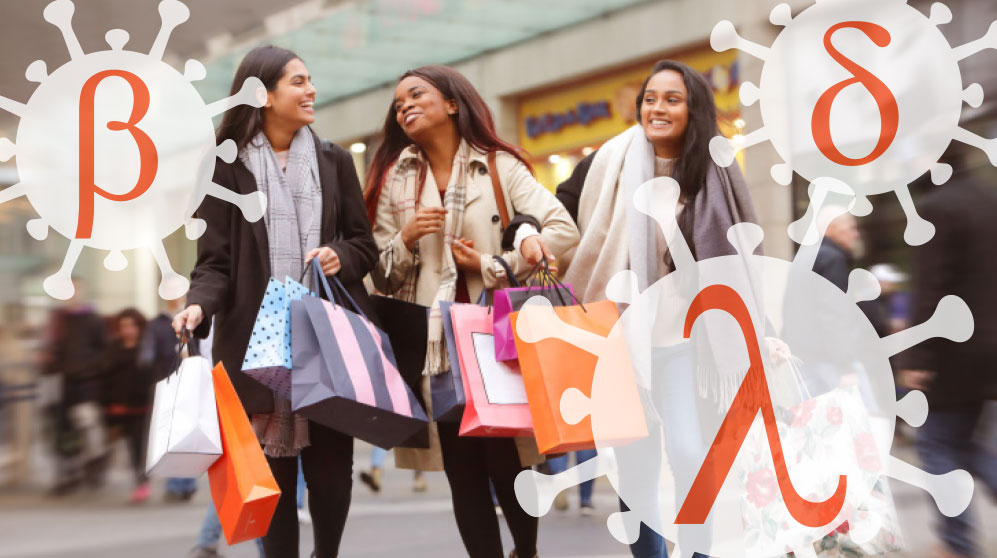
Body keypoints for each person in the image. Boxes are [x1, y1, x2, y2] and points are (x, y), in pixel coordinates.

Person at [539, 60, 758, 558]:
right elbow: (559, 213)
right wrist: (531, 236)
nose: (657, 108)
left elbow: (741, 259)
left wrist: (760, 330)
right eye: (650, 98)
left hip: (685, 342)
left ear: (693, 109)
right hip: (618, 338)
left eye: (672, 99)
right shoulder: (607, 161)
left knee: (688, 452)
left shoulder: (713, 170)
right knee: (635, 471)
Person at [365, 65, 579, 558]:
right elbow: (378, 272)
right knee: (462, 472)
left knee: (507, 463)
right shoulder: (397, 182)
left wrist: (494, 264)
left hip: (495, 333)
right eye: (399, 104)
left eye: (416, 95)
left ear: (453, 104)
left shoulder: (500, 167)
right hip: (434, 342)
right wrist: (407, 236)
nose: (405, 107)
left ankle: (526, 552)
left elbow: (562, 231)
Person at [173, 45, 377, 558]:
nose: (311, 91)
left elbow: (363, 244)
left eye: (310, 80)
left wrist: (339, 256)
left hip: (326, 337)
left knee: (332, 472)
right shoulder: (223, 170)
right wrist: (198, 307)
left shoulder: (333, 161)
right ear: (262, 94)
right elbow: (214, 262)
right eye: (299, 81)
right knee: (273, 477)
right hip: (256, 346)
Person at [900, 156, 997, 558]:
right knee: (966, 445)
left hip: (952, 352)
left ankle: (959, 545)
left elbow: (931, 287)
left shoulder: (937, 207)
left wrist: (916, 356)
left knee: (936, 444)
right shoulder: (988, 199)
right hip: (989, 351)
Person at [42, 277, 109, 495]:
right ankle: (68, 472)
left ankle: (95, 463)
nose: (72, 295)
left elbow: (104, 349)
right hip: (62, 382)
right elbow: (51, 349)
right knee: (63, 428)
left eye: (75, 290)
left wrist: (92, 369)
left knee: (88, 423)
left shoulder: (93, 319)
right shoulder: (58, 321)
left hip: (87, 382)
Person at [102, 308, 155, 503]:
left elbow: (155, 374)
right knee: (130, 446)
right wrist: (108, 402)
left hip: (145, 405)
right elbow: (106, 377)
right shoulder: (113, 348)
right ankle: (139, 479)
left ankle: (143, 482)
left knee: (141, 445)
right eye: (124, 326)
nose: (128, 330)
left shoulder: (147, 348)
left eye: (132, 325)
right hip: (121, 406)